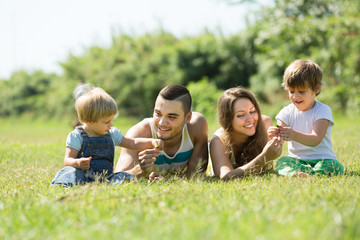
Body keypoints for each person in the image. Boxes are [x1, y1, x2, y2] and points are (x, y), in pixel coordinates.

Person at [51, 83, 162, 187]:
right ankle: (63, 185)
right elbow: (68, 160)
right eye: (106, 122)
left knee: (123, 175)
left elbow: (132, 142)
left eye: (112, 120)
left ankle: (117, 183)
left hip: (106, 178)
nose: (111, 124)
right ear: (89, 120)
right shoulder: (77, 136)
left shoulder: (111, 134)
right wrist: (78, 163)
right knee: (69, 172)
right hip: (83, 176)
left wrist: (151, 141)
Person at [268, 59, 344, 178]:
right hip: (297, 160)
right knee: (281, 163)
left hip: (322, 159)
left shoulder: (322, 110)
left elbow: (316, 139)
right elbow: (281, 140)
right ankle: (300, 173)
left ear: (317, 89)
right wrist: (275, 137)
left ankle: (311, 173)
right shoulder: (285, 112)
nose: (295, 96)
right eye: (291, 91)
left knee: (334, 166)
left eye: (301, 91)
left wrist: (294, 135)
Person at [114, 84, 209, 179]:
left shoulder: (197, 126)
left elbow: (196, 175)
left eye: (172, 117)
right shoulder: (138, 134)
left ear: (187, 118)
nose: (162, 123)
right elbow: (116, 179)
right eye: (158, 114)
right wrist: (139, 170)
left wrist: (168, 180)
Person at [209, 87, 282, 180]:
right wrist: (264, 158)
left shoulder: (265, 124)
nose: (250, 119)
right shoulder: (218, 140)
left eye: (252, 111)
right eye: (240, 115)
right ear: (227, 119)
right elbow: (225, 178)